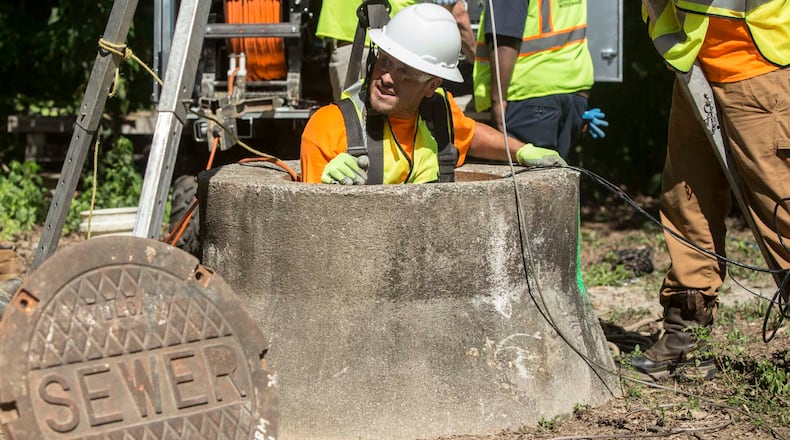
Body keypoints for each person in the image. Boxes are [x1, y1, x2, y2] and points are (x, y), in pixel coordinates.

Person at [630, 1, 790, 376]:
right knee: (686, 203)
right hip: (695, 68)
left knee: (780, 210)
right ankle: (684, 331)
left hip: (759, 68)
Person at [301, 3, 565, 184]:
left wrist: (521, 151)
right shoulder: (330, 127)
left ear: (432, 85)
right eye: (384, 62)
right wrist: (328, 187)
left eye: (405, 72)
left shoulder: (438, 112)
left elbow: (470, 135)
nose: (387, 78)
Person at [471, 0, 608, 160]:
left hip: (528, 93)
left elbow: (505, 37)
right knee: (556, 178)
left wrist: (497, 100)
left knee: (527, 179)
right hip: (573, 91)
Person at [316, 0, 476, 103]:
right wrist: (475, 60)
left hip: (349, 46)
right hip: (401, 54)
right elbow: (457, 15)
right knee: (393, 138)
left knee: (352, 134)